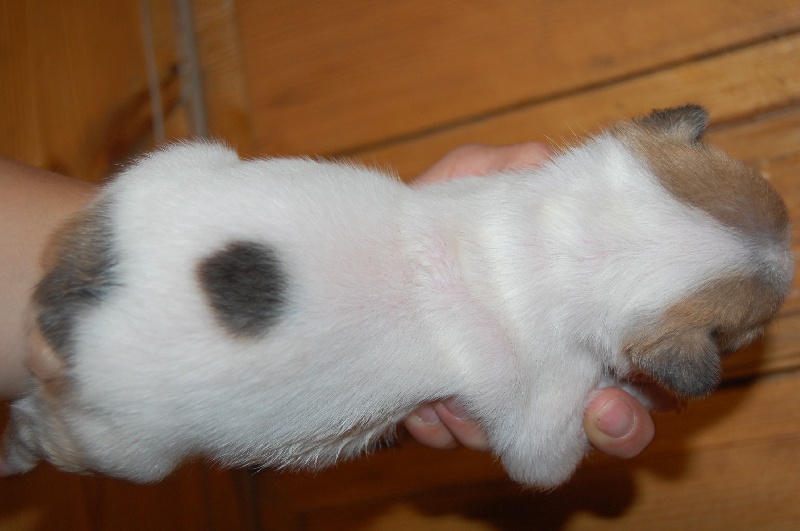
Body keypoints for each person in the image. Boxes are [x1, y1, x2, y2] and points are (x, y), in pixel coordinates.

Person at [0, 142, 654, 467]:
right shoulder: (525, 362)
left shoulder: (526, 190)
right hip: (132, 395)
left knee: (200, 168)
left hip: (135, 234)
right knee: (100, 437)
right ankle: (35, 435)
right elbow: (539, 460)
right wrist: (569, 392)